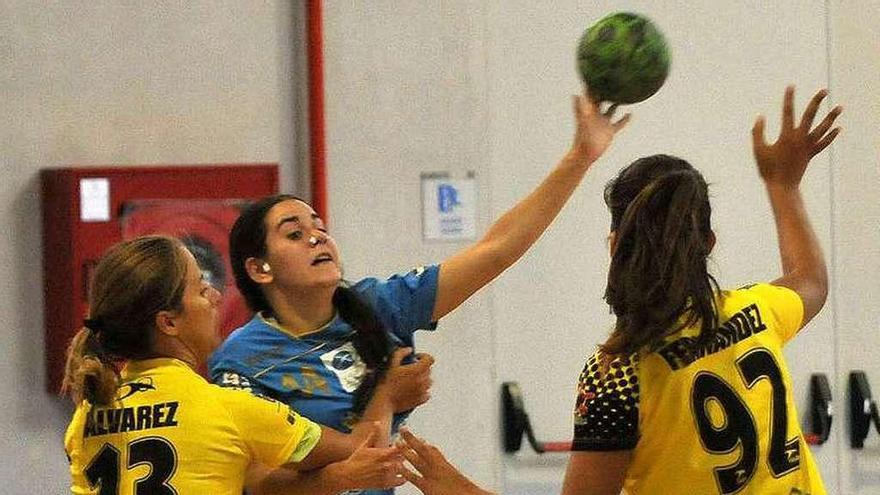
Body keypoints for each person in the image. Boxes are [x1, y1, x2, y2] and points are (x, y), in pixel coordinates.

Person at [395, 86, 842, 495]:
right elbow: (811, 281)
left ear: (614, 246)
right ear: (709, 242)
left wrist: (457, 489)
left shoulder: (619, 373)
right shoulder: (758, 311)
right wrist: (783, 186)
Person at [207, 91, 630, 494]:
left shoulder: (379, 306)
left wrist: (580, 157)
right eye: (295, 234)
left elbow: (495, 251)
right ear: (258, 269)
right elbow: (260, 484)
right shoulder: (242, 359)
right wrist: (386, 398)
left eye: (319, 227)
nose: (317, 238)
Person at [62, 235, 419, 494]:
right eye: (201, 289)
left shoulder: (85, 417)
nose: (216, 295)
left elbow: (261, 485)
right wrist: (387, 395)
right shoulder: (228, 409)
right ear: (168, 322)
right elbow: (364, 450)